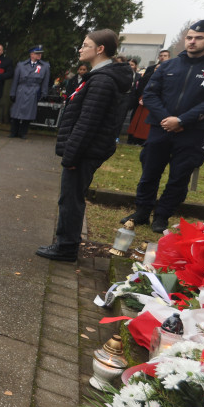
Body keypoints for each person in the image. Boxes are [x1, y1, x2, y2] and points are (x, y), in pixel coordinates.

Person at [120, 20, 204, 233]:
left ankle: (162, 216)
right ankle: (142, 212)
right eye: (189, 37)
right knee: (149, 172)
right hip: (161, 128)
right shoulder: (169, 65)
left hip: (193, 132)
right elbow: (150, 94)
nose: (192, 42)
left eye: (198, 38)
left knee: (179, 177)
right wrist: (167, 119)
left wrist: (183, 120)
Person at [36, 30, 132, 262]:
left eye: (85, 45)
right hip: (86, 150)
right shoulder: (98, 76)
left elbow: (87, 123)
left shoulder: (102, 80)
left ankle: (66, 247)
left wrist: (71, 157)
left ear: (100, 49)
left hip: (84, 152)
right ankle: (66, 243)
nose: (80, 49)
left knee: (70, 199)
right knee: (70, 197)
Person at [127, 49, 170, 145]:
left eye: (165, 55)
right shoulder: (150, 71)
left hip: (158, 102)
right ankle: (134, 139)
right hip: (143, 100)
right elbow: (142, 85)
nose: (163, 57)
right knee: (138, 121)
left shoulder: (171, 71)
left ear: (169, 57)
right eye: (161, 55)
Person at [8, 45, 51, 139]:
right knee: (16, 112)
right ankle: (13, 131)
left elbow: (45, 81)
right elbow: (15, 80)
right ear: (31, 54)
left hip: (33, 91)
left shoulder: (45, 66)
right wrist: (12, 93)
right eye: (37, 53)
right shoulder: (21, 65)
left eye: (40, 54)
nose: (40, 55)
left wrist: (44, 93)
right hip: (21, 90)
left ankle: (23, 132)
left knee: (29, 112)